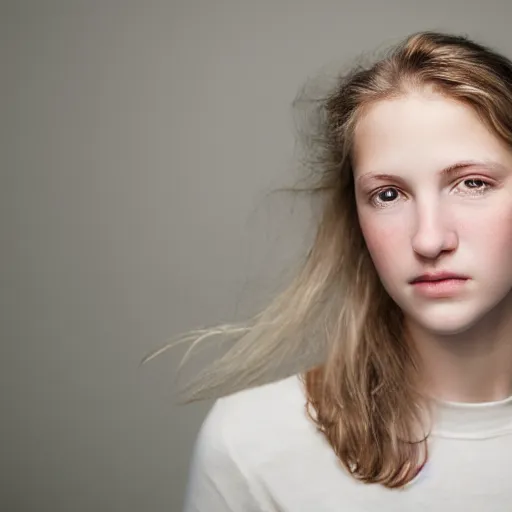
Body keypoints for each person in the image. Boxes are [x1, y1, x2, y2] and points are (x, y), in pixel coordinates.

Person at [171, 31, 512, 510]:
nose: (430, 239)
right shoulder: (253, 444)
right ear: (357, 216)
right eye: (388, 194)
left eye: (472, 183)